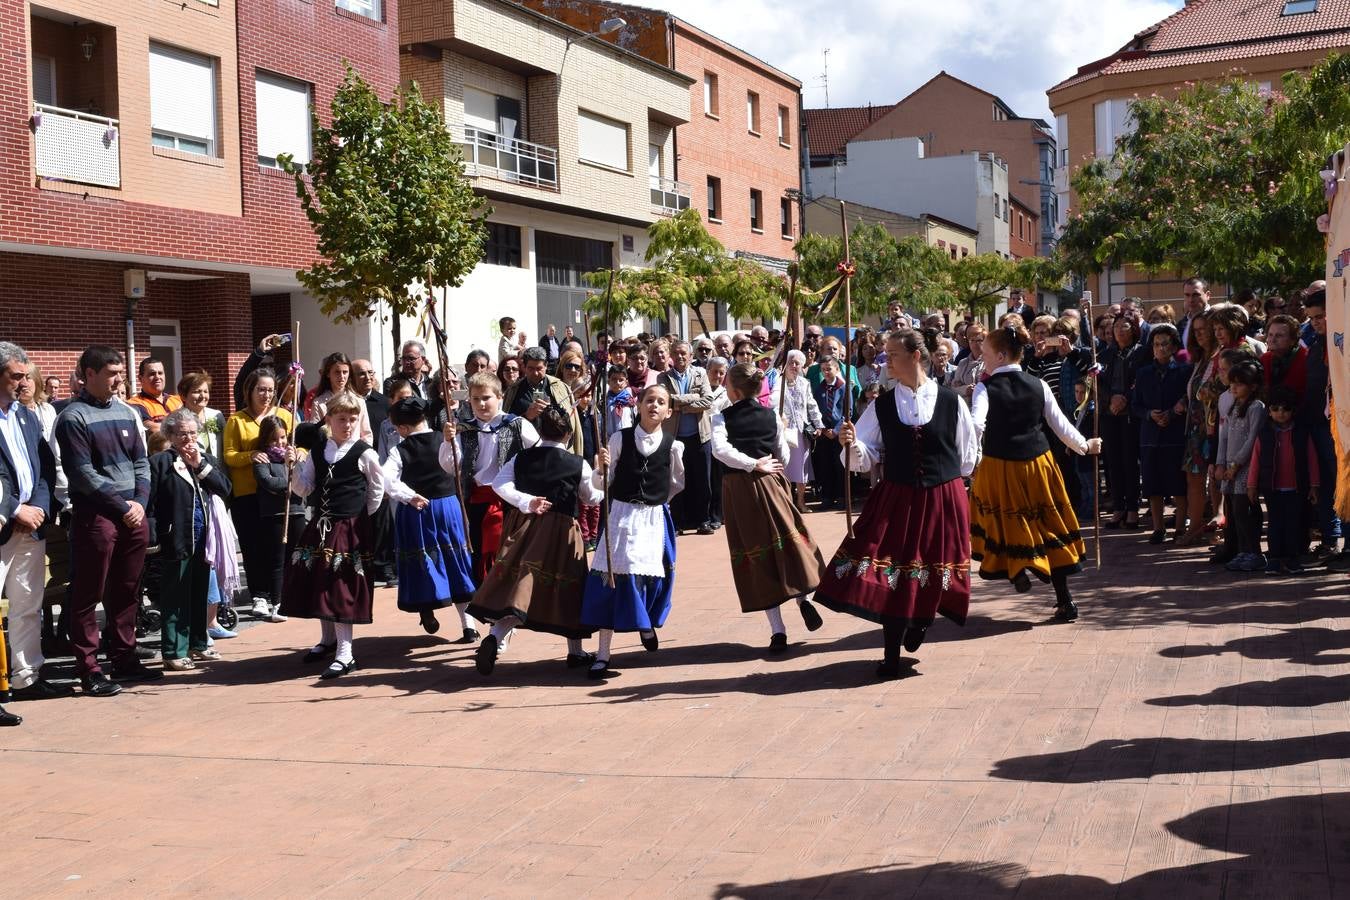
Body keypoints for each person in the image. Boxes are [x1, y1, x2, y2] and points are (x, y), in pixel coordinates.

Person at [815, 331, 979, 678]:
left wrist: (947, 480)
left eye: (892, 354)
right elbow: (862, 456)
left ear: (915, 356)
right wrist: (852, 444)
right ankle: (891, 654)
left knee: (932, 566)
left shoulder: (951, 401)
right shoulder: (882, 404)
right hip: (898, 495)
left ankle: (920, 621)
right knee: (892, 567)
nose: (885, 361)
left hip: (942, 496)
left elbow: (967, 456)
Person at [970, 323, 1102, 622]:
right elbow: (1060, 424)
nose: (983, 358)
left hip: (999, 466)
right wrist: (1085, 445)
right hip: (1037, 464)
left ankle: (1017, 569)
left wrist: (969, 457)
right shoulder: (1038, 384)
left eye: (987, 353)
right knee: (1047, 524)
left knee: (1003, 522)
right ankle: (1065, 599)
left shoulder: (984, 387)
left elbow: (977, 424)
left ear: (1002, 355)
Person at [54, 345, 161, 696]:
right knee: (89, 592)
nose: (119, 380)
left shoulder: (128, 412)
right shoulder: (73, 417)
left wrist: (140, 503)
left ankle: (124, 657)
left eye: (120, 373)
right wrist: (123, 506)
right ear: (89, 375)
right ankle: (89, 669)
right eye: (112, 373)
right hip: (97, 517)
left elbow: (142, 462)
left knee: (127, 590)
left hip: (133, 514)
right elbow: (82, 474)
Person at [470, 408, 603, 675]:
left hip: (524, 528)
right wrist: (601, 476)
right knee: (569, 588)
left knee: (520, 586)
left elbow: (499, 485)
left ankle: (495, 636)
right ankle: (575, 652)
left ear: (540, 431)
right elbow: (591, 498)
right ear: (569, 433)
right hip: (561, 532)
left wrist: (526, 502)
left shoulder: (522, 457)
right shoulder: (577, 463)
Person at [711, 364, 825, 652]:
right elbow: (784, 455)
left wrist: (751, 464)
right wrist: (767, 460)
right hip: (773, 484)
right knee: (787, 543)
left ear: (733, 389)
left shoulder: (720, 418)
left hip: (740, 489)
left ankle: (778, 631)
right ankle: (803, 600)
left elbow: (720, 450)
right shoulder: (771, 416)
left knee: (756, 552)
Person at [581, 384, 684, 679]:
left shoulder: (674, 446)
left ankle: (646, 623)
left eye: (661, 402)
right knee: (611, 579)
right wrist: (600, 470)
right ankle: (603, 654)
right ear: (638, 405)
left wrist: (658, 503)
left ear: (668, 411)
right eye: (649, 400)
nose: (654, 405)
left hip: (652, 518)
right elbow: (601, 485)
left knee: (647, 578)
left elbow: (677, 483)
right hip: (621, 515)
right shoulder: (619, 438)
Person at [282, 393, 384, 679]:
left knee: (340, 586)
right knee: (319, 580)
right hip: (321, 525)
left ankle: (346, 653)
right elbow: (304, 489)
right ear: (329, 420)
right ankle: (328, 640)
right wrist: (292, 468)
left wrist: (358, 517)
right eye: (342, 419)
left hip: (349, 526)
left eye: (353, 419)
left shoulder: (364, 452)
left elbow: (376, 491)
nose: (348, 424)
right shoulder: (318, 450)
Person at [0, 343, 64, 707]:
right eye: (16, 376)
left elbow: (44, 467)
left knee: (28, 603)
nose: (25, 384)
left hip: (32, 525)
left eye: (27, 376)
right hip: (4, 525)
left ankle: (26, 677)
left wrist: (38, 506)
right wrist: (14, 510)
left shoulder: (25, 416)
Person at [382, 397, 477, 640]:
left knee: (421, 560)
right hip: (447, 507)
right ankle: (469, 626)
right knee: (456, 561)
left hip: (417, 509)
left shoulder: (399, 450)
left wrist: (409, 495)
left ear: (403, 428)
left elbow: (387, 479)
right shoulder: (445, 439)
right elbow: (457, 464)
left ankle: (425, 607)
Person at [147, 409, 232, 671]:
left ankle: (199, 643)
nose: (188, 439)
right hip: (176, 536)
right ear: (170, 435)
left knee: (198, 592)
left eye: (193, 433)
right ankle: (174, 650)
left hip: (205, 539)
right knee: (176, 595)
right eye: (182, 434)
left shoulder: (204, 459)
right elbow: (150, 503)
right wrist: (152, 537)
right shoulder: (161, 462)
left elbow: (225, 488)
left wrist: (200, 466)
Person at [454, 372, 540, 584]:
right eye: (475, 399)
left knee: (510, 550)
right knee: (480, 548)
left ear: (499, 397)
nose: (481, 404)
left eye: (486, 398)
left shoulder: (517, 424)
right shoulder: (465, 428)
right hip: (477, 500)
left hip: (510, 501)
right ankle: (486, 594)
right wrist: (449, 442)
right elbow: (451, 465)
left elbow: (539, 453)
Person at [223, 367, 294, 622]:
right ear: (249, 391)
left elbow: (299, 444)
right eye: (260, 389)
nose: (266, 395)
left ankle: (280, 593)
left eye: (270, 390)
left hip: (276, 494)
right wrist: (250, 456)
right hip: (248, 493)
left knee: (276, 547)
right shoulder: (237, 420)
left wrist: (298, 455)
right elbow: (229, 455)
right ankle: (259, 596)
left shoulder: (284, 414)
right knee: (253, 547)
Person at [1248, 386, 1318, 575]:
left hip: (1297, 488)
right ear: (1269, 411)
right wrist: (1252, 485)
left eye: (1285, 409)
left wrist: (1314, 485)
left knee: (1294, 523)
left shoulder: (1302, 433)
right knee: (1275, 524)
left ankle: (1293, 558)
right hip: (1272, 488)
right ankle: (1274, 558)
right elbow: (1255, 460)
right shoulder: (1264, 435)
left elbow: (1311, 459)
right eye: (1276, 409)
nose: (1281, 413)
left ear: (1293, 411)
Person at [1131, 324, 1192, 543]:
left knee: (1177, 485)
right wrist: (1150, 414)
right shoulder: (1144, 373)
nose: (1161, 348)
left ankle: (1179, 527)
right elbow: (1135, 405)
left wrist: (1173, 413)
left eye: (1165, 343)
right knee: (1152, 485)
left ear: (1175, 346)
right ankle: (1158, 528)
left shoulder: (1185, 371)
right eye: (1156, 344)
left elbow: (1188, 399)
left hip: (1174, 435)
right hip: (1150, 436)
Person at [1297, 290, 1340, 562]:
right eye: (1312, 318)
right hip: (1314, 424)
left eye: (1321, 316)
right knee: (1323, 484)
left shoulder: (1340, 344)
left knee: (1340, 484)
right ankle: (1330, 539)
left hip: (1336, 426)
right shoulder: (1315, 343)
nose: (1316, 322)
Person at [1215, 359, 1266, 572]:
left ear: (1253, 386)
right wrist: (1220, 463)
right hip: (1230, 468)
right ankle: (1242, 551)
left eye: (1240, 383)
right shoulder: (1233, 406)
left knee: (1245, 510)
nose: (1233, 387)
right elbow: (1223, 436)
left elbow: (1252, 439)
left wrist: (1236, 464)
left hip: (1245, 469)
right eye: (1232, 382)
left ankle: (1254, 552)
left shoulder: (1256, 407)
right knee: (1234, 512)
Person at [659, 340, 715, 535]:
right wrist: (692, 398)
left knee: (702, 481)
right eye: (676, 353)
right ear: (671, 356)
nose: (680, 356)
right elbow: (665, 401)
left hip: (700, 436)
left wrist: (680, 405)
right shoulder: (663, 377)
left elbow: (708, 400)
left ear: (691, 356)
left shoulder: (700, 373)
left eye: (684, 353)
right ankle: (676, 523)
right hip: (675, 438)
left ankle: (703, 520)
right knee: (676, 480)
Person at [1099, 316, 1147, 529]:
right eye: (1115, 327)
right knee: (1113, 461)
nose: (1119, 331)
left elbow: (1141, 380)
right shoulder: (1105, 354)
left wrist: (1124, 397)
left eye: (1124, 326)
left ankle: (1133, 508)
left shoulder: (1141, 352)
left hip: (1130, 413)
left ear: (1133, 329)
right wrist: (1111, 399)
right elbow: (1097, 383)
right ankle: (1118, 506)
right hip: (1110, 414)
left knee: (1130, 461)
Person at [1178, 311, 1220, 546]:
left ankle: (1219, 526)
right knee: (1193, 478)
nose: (1200, 334)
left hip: (1214, 427)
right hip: (1195, 427)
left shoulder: (1222, 356)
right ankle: (1194, 526)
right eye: (1196, 330)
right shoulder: (1199, 360)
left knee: (1215, 479)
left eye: (1204, 329)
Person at [503, 347, 583, 455]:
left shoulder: (561, 388)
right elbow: (505, 428)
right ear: (524, 367)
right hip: (525, 456)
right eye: (531, 368)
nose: (535, 373)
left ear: (546, 366)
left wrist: (553, 414)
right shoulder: (513, 391)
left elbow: (572, 425)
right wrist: (527, 416)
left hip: (557, 455)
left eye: (539, 368)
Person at [771, 349, 822, 511]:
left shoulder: (804, 383)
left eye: (797, 363)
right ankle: (785, 502)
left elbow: (811, 404)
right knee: (783, 467)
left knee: (801, 468)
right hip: (783, 430)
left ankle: (800, 501)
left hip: (800, 431)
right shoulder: (779, 382)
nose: (793, 366)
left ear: (802, 366)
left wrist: (818, 423)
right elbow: (772, 402)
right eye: (790, 362)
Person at [811, 356, 850, 509]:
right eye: (823, 370)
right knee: (825, 464)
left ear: (837, 369)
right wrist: (823, 428)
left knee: (839, 464)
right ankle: (827, 496)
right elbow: (815, 410)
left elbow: (848, 411)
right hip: (824, 433)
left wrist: (836, 430)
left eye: (829, 369)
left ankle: (842, 496)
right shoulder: (819, 388)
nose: (826, 372)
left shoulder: (843, 387)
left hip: (839, 432)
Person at [126, 357, 183, 434]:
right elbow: (154, 429)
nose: (157, 377)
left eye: (160, 373)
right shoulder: (134, 404)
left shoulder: (178, 400)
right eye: (152, 374)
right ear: (140, 378)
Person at [1261, 314, 1309, 403]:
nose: (1272, 339)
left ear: (1293, 340)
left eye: (1279, 336)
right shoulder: (1265, 359)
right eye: (1270, 335)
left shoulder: (1307, 359)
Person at [949, 323, 986, 404]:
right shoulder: (963, 363)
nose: (975, 343)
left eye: (979, 340)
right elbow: (953, 388)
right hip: (964, 407)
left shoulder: (989, 362)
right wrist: (966, 389)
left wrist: (973, 388)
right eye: (972, 340)